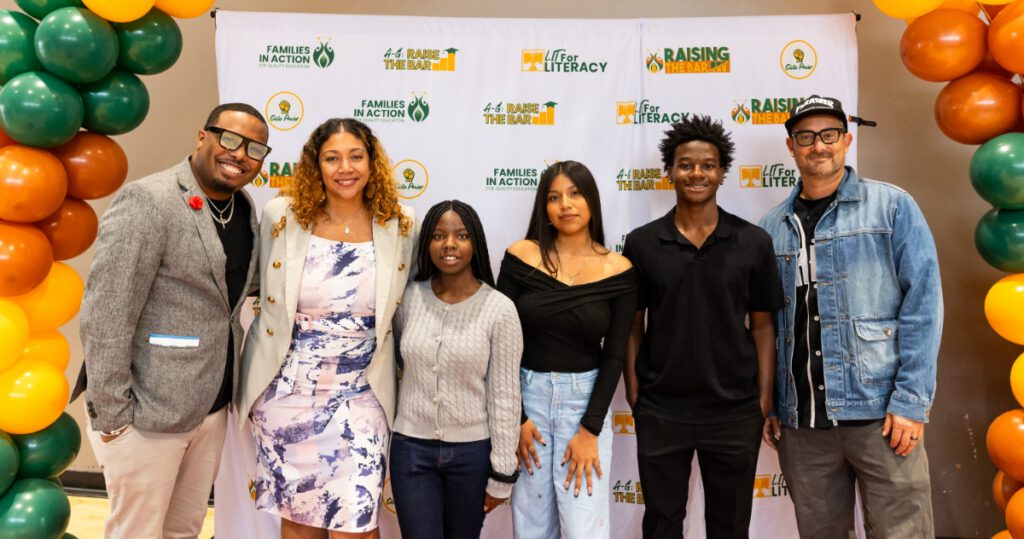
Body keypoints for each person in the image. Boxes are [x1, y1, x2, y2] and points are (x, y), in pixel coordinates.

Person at [71, 103, 270, 538]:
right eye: (230, 139)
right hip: (146, 411)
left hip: (212, 407)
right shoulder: (149, 200)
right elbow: (107, 312)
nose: (240, 154)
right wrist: (111, 416)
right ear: (203, 137)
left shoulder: (245, 209)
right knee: (136, 532)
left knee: (184, 528)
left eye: (255, 149)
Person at [759, 95, 942, 538]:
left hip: (882, 419)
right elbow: (769, 326)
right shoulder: (770, 227)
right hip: (803, 426)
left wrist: (911, 402)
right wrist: (772, 401)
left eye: (828, 135)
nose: (817, 146)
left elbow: (923, 304)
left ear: (846, 140)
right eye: (806, 137)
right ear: (791, 146)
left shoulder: (891, 207)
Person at [235, 117, 415, 539]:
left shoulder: (401, 222)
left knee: (358, 524)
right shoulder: (282, 215)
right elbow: (255, 288)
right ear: (316, 165)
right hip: (287, 391)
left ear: (372, 162)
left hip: (363, 394)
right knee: (298, 523)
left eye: (355, 156)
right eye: (331, 158)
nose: (344, 168)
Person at [622, 115, 783, 539]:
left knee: (730, 527)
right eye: (686, 164)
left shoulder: (752, 242)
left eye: (708, 165)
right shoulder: (641, 243)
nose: (697, 173)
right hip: (661, 410)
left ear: (722, 172)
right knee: (661, 524)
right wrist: (636, 394)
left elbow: (764, 325)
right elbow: (632, 326)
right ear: (670, 171)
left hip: (734, 412)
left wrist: (762, 400)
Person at [497, 160, 635, 539]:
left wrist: (590, 429)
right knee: (531, 527)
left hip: (585, 405)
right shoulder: (520, 256)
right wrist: (518, 417)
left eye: (575, 194)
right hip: (528, 403)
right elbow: (501, 343)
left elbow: (615, 356)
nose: (566, 205)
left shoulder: (619, 269)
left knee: (584, 528)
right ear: (544, 206)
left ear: (592, 200)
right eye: (554, 197)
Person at [389, 200, 523, 539]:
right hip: (411, 451)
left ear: (475, 242)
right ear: (426, 244)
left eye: (461, 235)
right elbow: (401, 364)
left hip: (472, 455)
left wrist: (503, 473)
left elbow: (505, 395)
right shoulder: (407, 300)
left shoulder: (500, 310)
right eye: (438, 235)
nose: (449, 244)